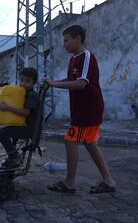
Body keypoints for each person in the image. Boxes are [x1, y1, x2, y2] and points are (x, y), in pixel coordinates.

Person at [45, 25, 116, 194]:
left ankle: (69, 183)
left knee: (70, 140)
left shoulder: (86, 57)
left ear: (78, 39)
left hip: (88, 108)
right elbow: (71, 79)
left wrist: (54, 84)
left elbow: (81, 83)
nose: (64, 45)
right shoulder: (73, 59)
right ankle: (109, 181)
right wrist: (53, 82)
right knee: (89, 143)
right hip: (81, 109)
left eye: (67, 40)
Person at [0, 67, 39, 170]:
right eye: (21, 80)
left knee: (1, 133)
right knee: (2, 131)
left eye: (27, 81)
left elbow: (26, 112)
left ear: (34, 83)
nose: (23, 83)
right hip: (22, 125)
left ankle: (15, 157)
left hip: (29, 129)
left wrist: (7, 108)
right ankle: (13, 156)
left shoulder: (31, 95)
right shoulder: (22, 94)